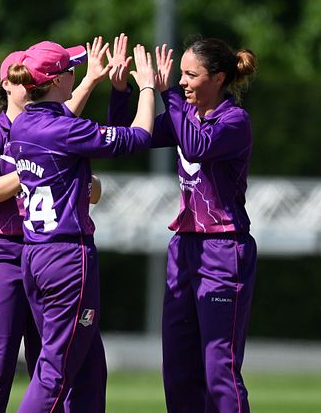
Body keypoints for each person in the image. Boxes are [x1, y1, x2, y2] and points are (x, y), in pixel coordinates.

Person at [109, 37, 258, 413]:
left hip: (224, 250)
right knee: (177, 368)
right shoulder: (183, 114)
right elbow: (129, 137)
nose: (184, 82)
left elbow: (195, 147)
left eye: (192, 75)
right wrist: (122, 89)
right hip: (185, 249)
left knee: (217, 368)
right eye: (182, 75)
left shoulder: (234, 120)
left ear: (219, 77)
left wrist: (166, 92)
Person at [7, 39, 156, 413]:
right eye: (72, 69)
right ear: (58, 80)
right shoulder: (61, 130)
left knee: (88, 369)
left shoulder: (24, 124)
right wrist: (149, 86)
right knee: (55, 373)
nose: (77, 73)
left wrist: (103, 83)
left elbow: (65, 124)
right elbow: (139, 137)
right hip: (67, 259)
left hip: (36, 257)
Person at [0, 39, 105, 413]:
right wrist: (34, 173)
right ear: (7, 84)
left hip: (47, 251)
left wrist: (72, 180)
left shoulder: (53, 128)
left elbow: (96, 190)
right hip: (3, 253)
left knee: (56, 362)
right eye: (19, 75)